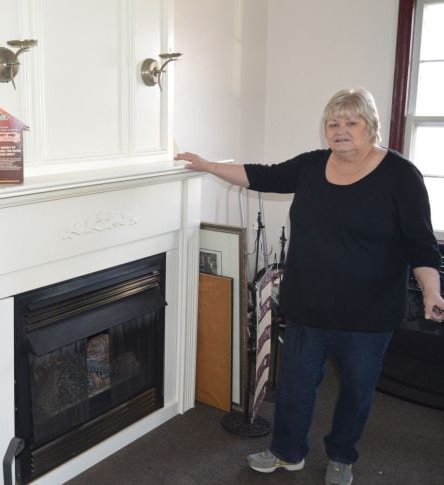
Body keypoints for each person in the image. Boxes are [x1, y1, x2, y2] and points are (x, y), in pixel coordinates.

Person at [176, 87, 444, 485]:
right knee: (296, 387)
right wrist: (208, 165)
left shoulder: (400, 175)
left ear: (370, 127)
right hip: (308, 305)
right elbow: (260, 174)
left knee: (355, 392)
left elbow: (421, 243)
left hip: (367, 313)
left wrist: (431, 290)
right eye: (333, 123)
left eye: (351, 122)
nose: (341, 130)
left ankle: (341, 455)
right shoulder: (312, 166)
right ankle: (287, 452)